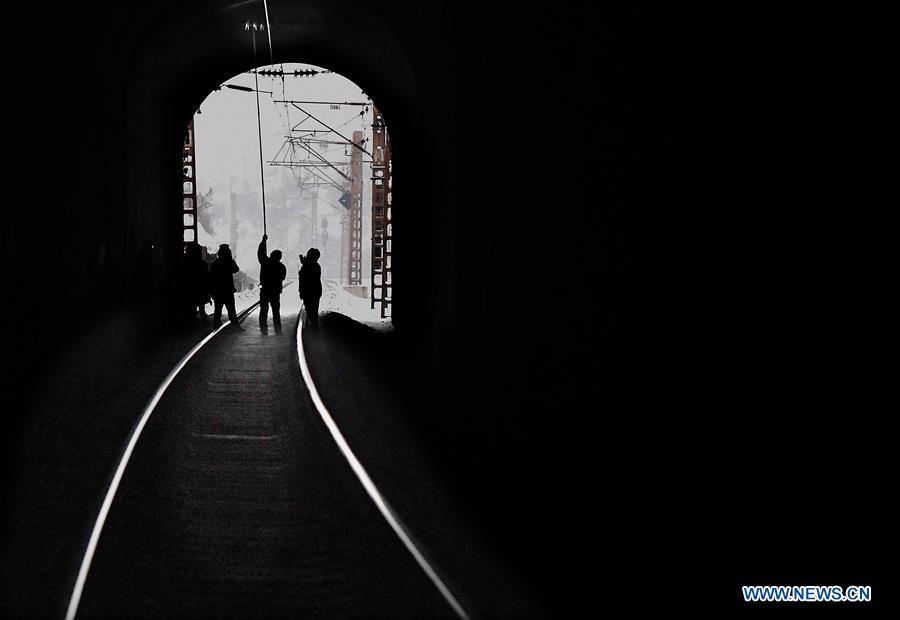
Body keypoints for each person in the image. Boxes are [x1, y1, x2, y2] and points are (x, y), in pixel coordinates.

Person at [257, 234, 286, 329]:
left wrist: (263, 242)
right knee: (276, 312)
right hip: (275, 291)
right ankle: (278, 329)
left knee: (263, 311)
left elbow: (260, 253)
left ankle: (263, 329)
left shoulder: (265, 262)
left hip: (265, 290)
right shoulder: (281, 267)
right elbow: (282, 277)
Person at [209, 243, 239, 325]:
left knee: (218, 309)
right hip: (228, 289)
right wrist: (230, 259)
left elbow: (211, 278)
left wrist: (211, 291)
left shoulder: (215, 263)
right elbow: (236, 269)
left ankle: (216, 323)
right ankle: (235, 324)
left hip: (218, 290)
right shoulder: (229, 262)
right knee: (231, 309)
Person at [298, 248, 322, 327]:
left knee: (311, 312)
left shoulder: (307, 266)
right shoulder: (316, 266)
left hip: (308, 292)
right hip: (315, 292)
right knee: (313, 312)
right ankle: (314, 330)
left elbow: (304, 279)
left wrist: (304, 263)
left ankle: (314, 330)